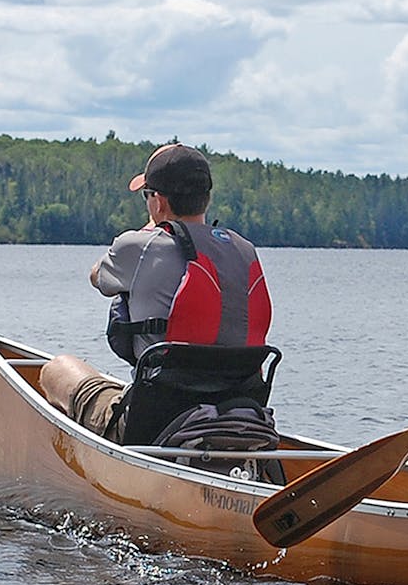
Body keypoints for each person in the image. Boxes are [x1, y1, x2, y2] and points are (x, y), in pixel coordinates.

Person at [39, 143, 272, 440]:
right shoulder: (244, 250)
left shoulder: (137, 245)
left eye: (147, 196)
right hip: (240, 413)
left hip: (152, 424)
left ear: (158, 202)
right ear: (207, 198)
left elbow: (97, 276)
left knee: (56, 370)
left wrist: (152, 228)